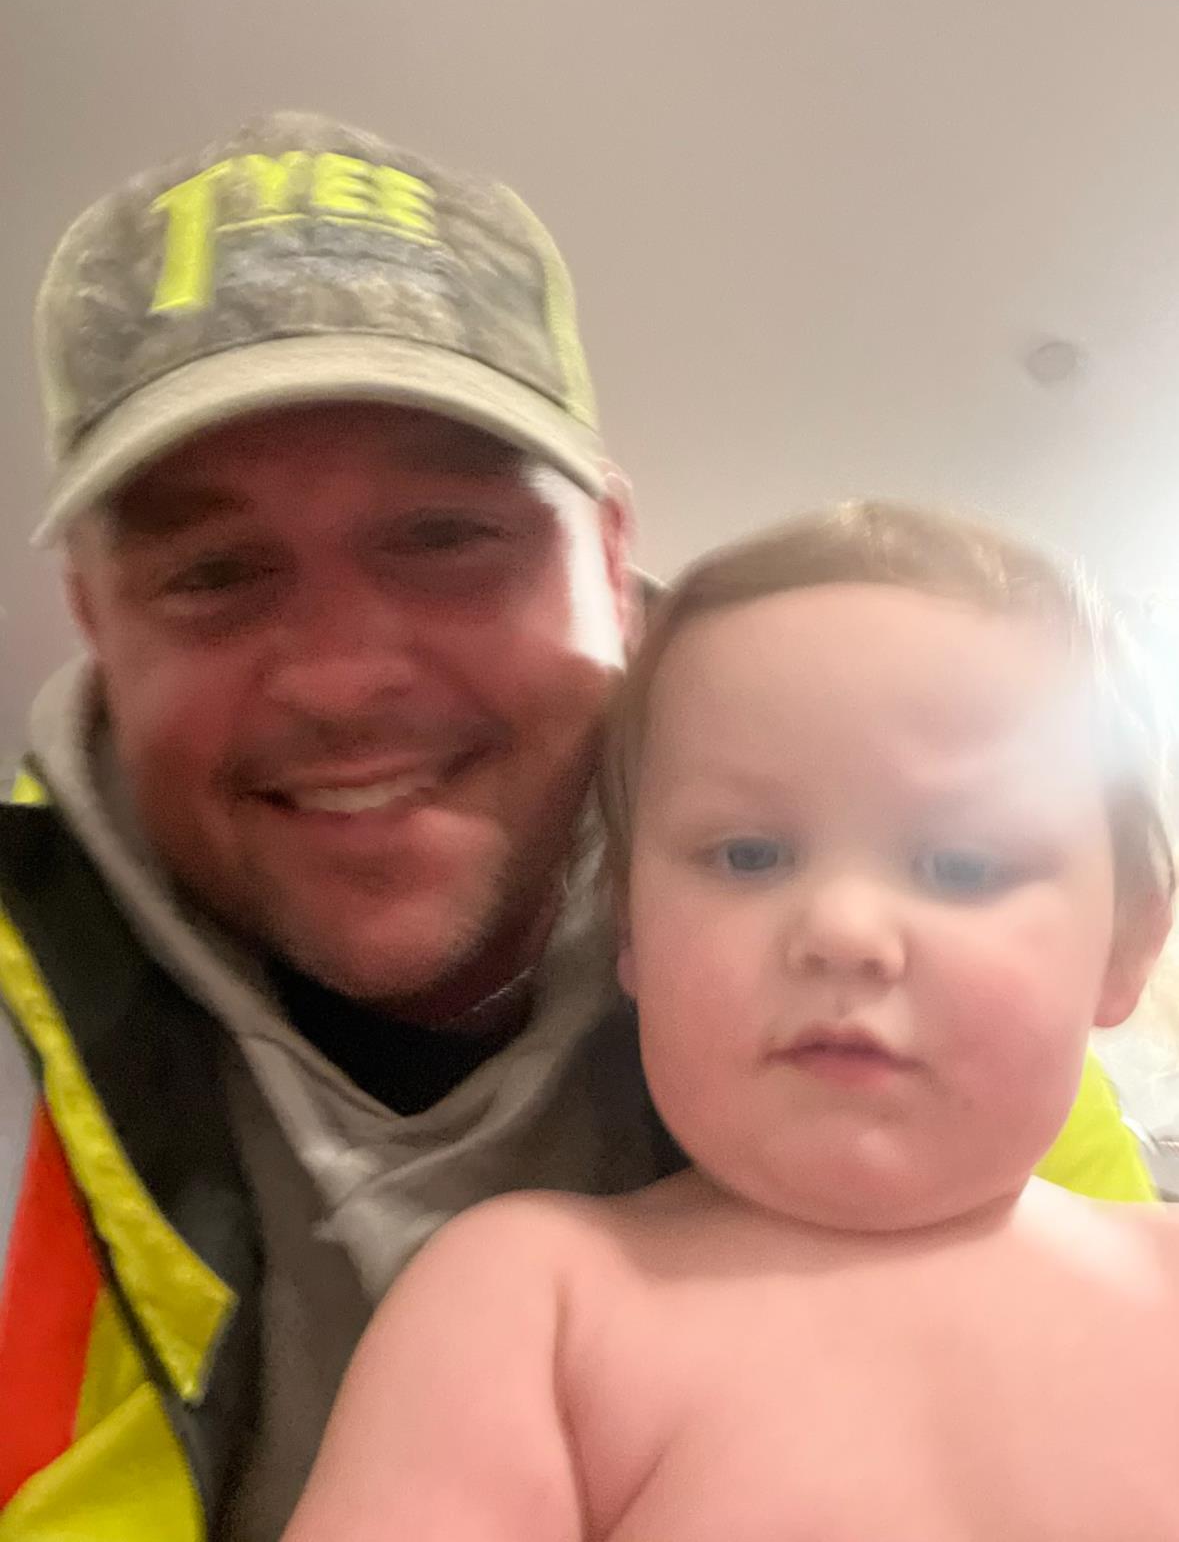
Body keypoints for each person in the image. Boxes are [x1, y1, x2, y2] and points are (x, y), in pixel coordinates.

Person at [0, 114, 1156, 1539]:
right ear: (96, 619)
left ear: (608, 557)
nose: (344, 672)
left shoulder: (978, 1059)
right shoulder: (543, 1302)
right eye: (217, 568)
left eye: (444, 534)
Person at [284, 502, 1179, 1541]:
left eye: (961, 864)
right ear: (631, 930)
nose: (842, 930)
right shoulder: (539, 1303)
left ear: (1122, 946)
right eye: (749, 856)